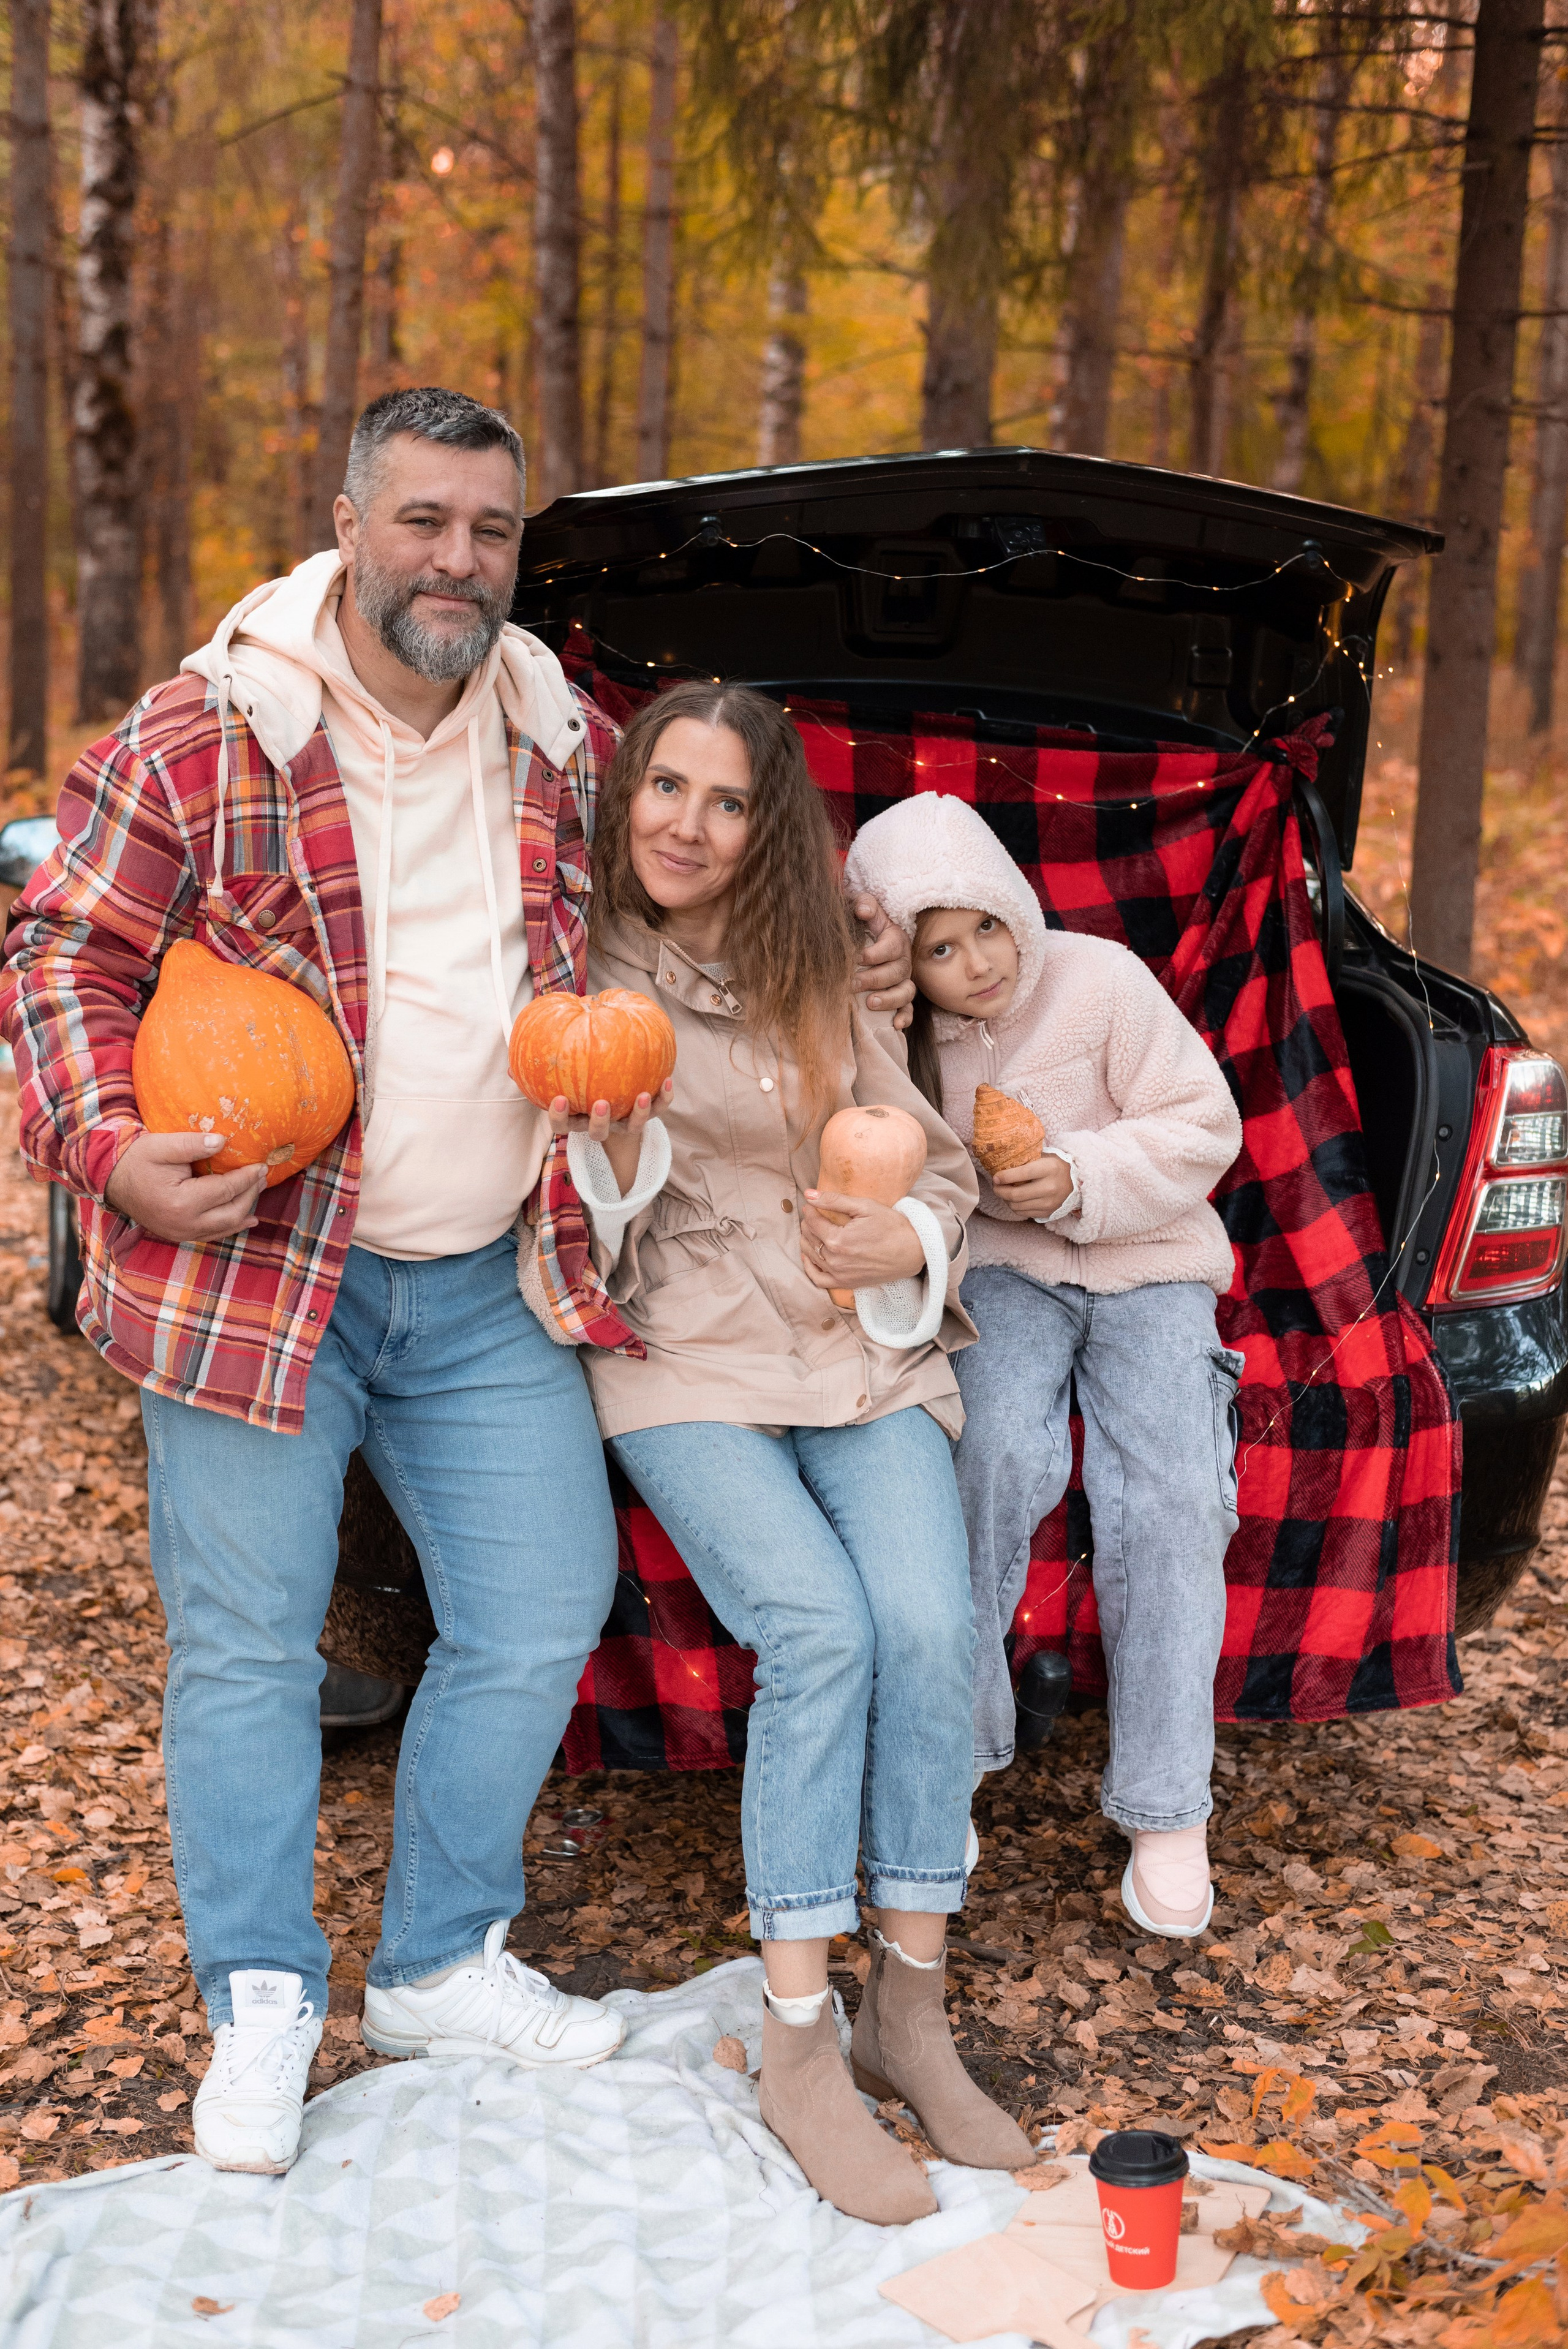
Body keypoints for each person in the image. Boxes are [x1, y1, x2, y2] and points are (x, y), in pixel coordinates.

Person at [2, 388, 913, 2180]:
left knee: (538, 1603)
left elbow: (678, 901)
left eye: (489, 531)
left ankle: (434, 1961)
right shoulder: (210, 734)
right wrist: (107, 1149)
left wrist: (854, 916)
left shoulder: (557, 738)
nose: (456, 560)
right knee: (252, 1644)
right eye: (422, 521)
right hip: (264, 1268)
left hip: (489, 1271)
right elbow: (59, 952)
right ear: (349, 518)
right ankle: (263, 1994)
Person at [537, 680, 1032, 2228]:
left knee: (931, 1624)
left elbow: (938, 1166)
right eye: (663, 787)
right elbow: (579, 1220)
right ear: (622, 800)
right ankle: (801, 2039)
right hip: (680, 1344)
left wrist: (903, 1232)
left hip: (854, 1337)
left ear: (768, 827)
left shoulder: (822, 969)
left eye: (727, 798)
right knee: (816, 1629)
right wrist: (608, 1147)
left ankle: (913, 2001)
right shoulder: (574, 971)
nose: (687, 822)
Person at [845, 791, 1245, 1940]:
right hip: (1006, 1274)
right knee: (986, 1460)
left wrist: (1076, 1175)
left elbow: (1199, 1122)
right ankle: (953, 1758)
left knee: (1172, 1494)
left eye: (985, 927)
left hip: (1151, 1260)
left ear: (1018, 905)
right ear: (900, 960)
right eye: (936, 947)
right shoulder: (899, 1034)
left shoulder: (1105, 980)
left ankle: (1168, 1808)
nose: (971, 963)